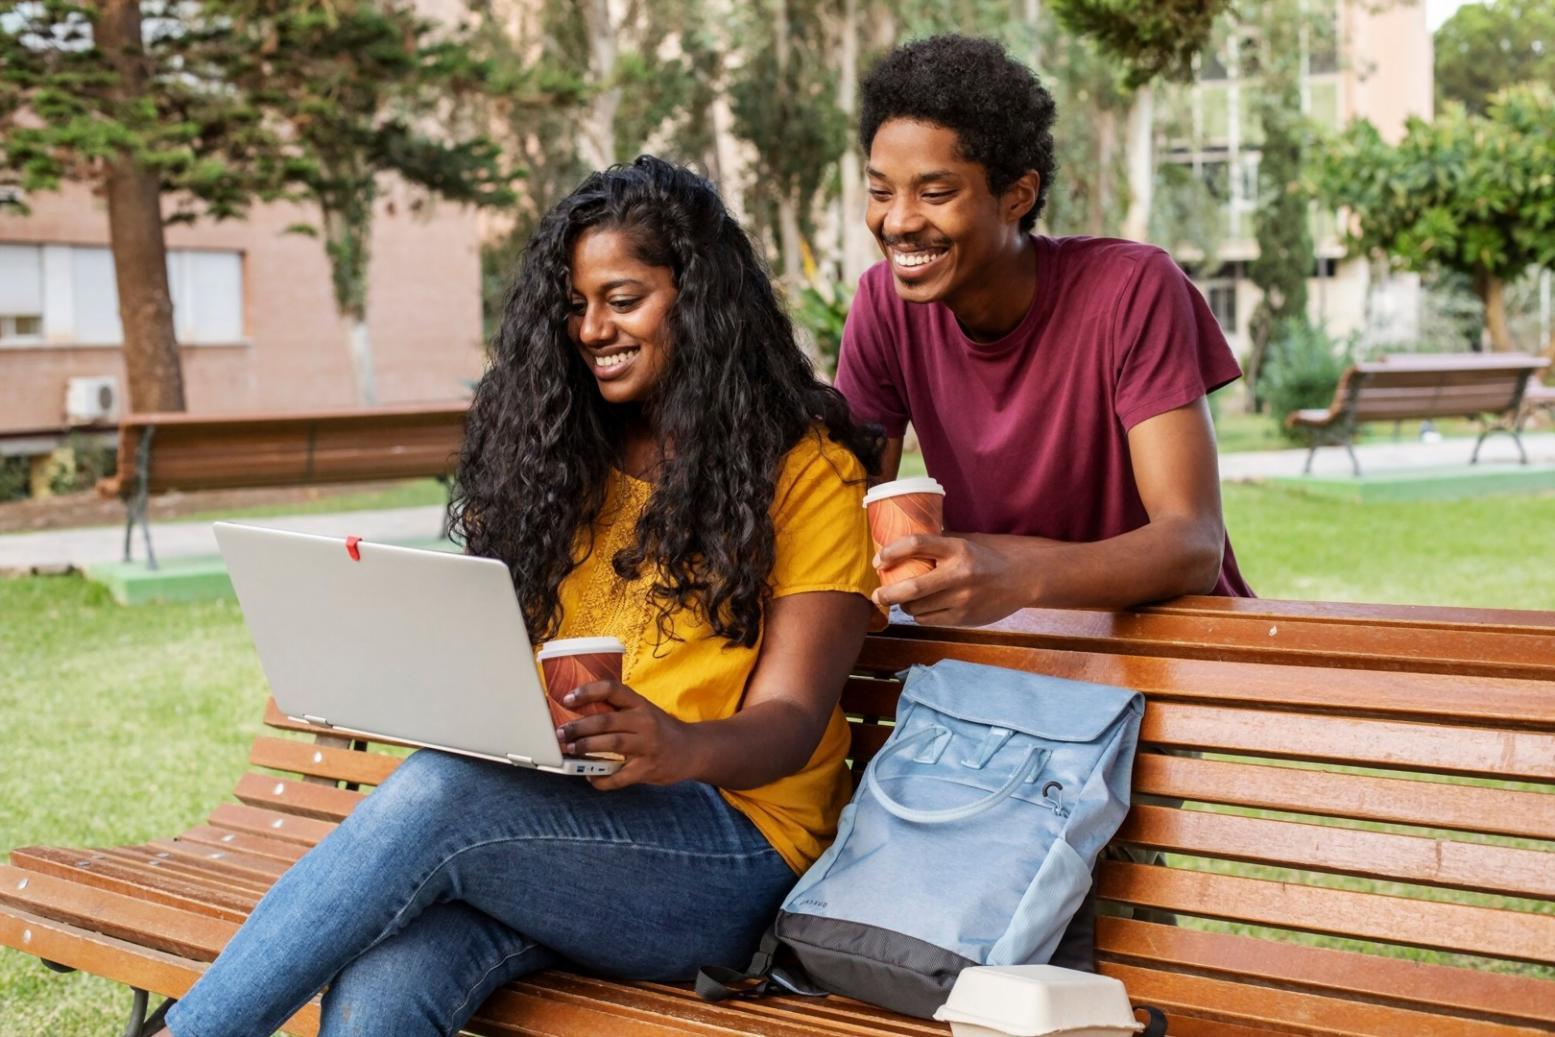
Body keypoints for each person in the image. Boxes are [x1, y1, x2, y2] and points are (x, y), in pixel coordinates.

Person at [156, 156, 883, 1037]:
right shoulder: (561, 463)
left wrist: (675, 744)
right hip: (556, 837)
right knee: (389, 982)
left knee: (442, 795)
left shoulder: (805, 470)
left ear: (699, 298)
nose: (590, 327)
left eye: (623, 299)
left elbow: (793, 720)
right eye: (574, 305)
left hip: (730, 852)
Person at [835, 35, 1254, 629]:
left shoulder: (1131, 290)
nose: (898, 221)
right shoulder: (884, 305)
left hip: (1175, 654)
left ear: (1017, 196)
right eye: (881, 191)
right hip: (1020, 664)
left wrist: (1014, 575)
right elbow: (850, 510)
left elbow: (1192, 546)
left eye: (935, 193)